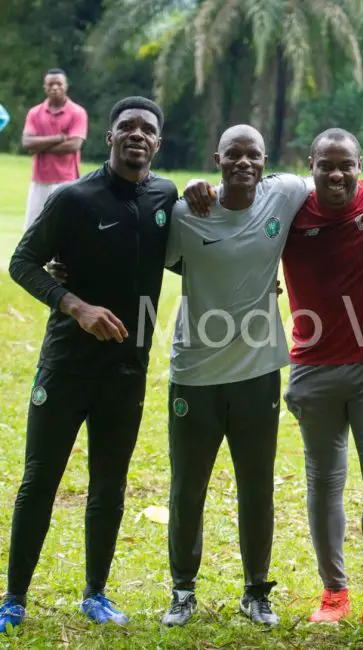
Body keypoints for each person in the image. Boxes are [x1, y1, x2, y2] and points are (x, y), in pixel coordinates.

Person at [3, 96, 177, 632]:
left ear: (157, 142)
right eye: (127, 127)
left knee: (110, 484)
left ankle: (96, 593)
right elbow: (22, 263)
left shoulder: (165, 196)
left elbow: (194, 251)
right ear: (109, 136)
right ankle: (13, 599)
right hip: (67, 366)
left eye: (147, 129)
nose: (137, 136)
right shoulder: (73, 198)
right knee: (40, 480)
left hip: (127, 370)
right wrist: (74, 306)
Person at [161, 125, 313, 629]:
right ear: (217, 159)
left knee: (257, 484)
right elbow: (148, 257)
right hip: (196, 371)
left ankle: (256, 591)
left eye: (252, 155)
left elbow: (343, 185)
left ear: (264, 160)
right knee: (187, 487)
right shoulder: (189, 212)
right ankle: (183, 590)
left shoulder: (284, 194)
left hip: (257, 372)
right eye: (233, 155)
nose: (243, 163)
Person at [282, 128, 363, 634]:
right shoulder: (291, 209)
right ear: (310, 165)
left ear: (360, 165)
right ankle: (334, 591)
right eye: (326, 165)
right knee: (325, 482)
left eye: (347, 165)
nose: (336, 174)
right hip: (312, 369)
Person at [22, 68, 88, 229]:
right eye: (50, 84)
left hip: (66, 181)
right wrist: (59, 138)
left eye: (59, 83)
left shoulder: (77, 112)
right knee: (33, 229)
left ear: (66, 86)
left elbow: (74, 145)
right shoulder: (34, 113)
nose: (55, 87)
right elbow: (27, 143)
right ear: (45, 87)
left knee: (64, 229)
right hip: (39, 181)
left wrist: (40, 145)